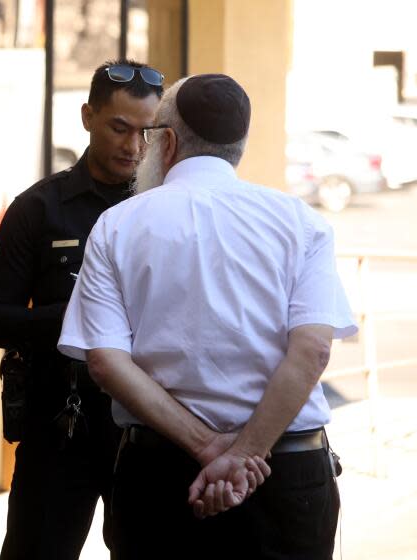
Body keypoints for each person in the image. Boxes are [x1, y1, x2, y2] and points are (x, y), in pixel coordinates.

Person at [57, 73, 357, 559]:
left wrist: (211, 450)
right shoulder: (301, 222)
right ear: (237, 146)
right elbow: (313, 349)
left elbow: (106, 362)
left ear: (168, 142)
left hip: (160, 478)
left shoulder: (117, 225)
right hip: (286, 476)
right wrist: (245, 453)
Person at [0, 60, 164, 559]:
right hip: (61, 422)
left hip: (148, 424)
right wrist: (87, 314)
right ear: (87, 117)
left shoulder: (167, 208)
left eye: (146, 132)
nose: (132, 147)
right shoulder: (37, 208)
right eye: (119, 128)